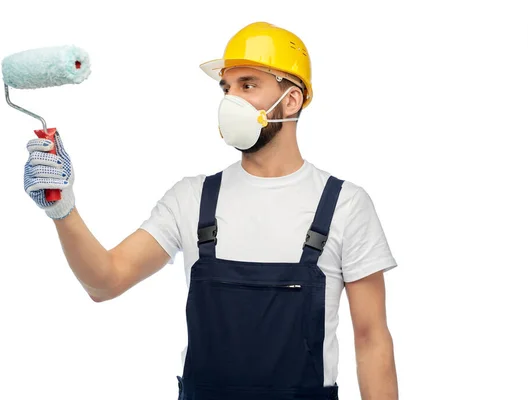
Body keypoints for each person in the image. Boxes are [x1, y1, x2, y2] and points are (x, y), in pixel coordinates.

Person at [23, 21, 399, 400]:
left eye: (247, 85)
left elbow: (372, 341)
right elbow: (105, 282)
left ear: (292, 100)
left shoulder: (345, 206)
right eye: (226, 88)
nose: (230, 99)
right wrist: (63, 210)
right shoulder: (191, 199)